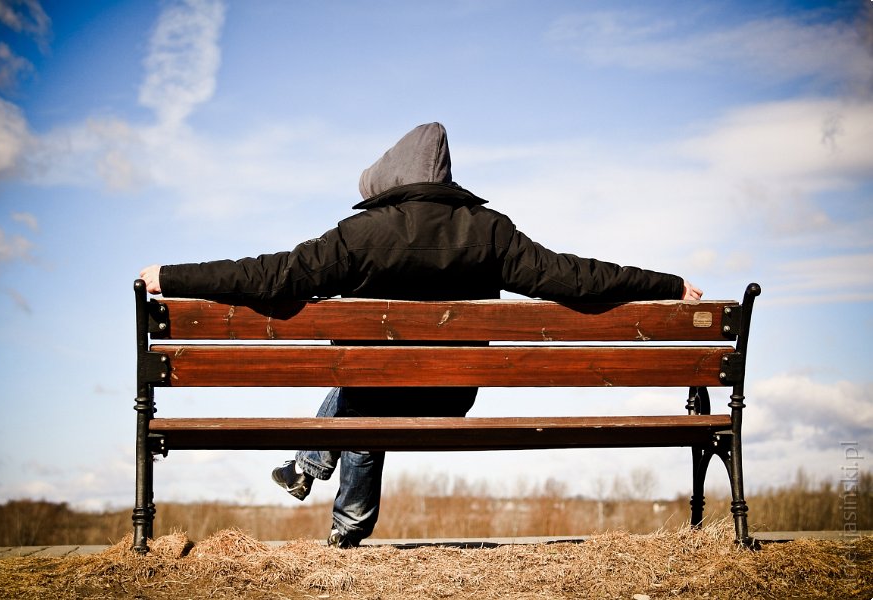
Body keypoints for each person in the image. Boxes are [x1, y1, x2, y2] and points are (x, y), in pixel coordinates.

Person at [139, 122, 702, 548]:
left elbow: (269, 276)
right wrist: (666, 285)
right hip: (453, 394)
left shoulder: (360, 235)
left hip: (373, 393)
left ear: (393, 179)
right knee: (364, 385)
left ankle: (335, 509)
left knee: (362, 387)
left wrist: (174, 277)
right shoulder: (492, 232)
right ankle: (311, 475)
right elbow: (576, 278)